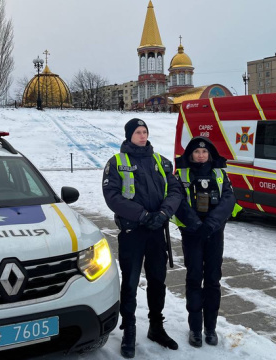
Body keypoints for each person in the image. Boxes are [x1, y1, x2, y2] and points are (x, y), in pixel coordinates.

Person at [102, 118, 182, 358]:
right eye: (138, 132)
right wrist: (142, 215)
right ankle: (129, 330)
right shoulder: (117, 162)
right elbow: (112, 196)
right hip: (132, 232)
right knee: (130, 282)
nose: (143, 135)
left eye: (145, 131)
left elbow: (176, 189)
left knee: (158, 281)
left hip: (157, 231)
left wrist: (164, 213)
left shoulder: (160, 161)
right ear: (129, 135)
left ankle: (156, 326)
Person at [172, 136, 235, 348]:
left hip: (214, 233)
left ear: (210, 154)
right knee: (194, 277)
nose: (201, 155)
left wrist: (211, 224)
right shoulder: (181, 174)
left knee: (213, 279)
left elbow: (228, 200)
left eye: (205, 152)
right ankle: (195, 329)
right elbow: (178, 201)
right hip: (192, 233)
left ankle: (210, 328)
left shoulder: (220, 174)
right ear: (190, 154)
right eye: (197, 152)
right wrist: (196, 225)